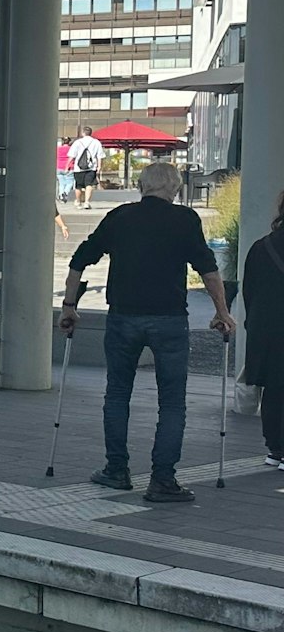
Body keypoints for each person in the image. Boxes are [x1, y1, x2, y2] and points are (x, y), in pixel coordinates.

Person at [59, 161, 235, 503]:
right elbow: (209, 271)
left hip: (123, 318)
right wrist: (222, 312)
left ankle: (116, 470)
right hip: (169, 320)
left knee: (117, 394)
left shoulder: (120, 217)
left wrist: (69, 306)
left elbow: (79, 259)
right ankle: (162, 480)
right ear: (176, 189)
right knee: (172, 403)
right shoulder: (186, 220)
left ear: (141, 186)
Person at [240, 191, 284, 468]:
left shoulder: (261, 246)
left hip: (267, 327)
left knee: (274, 386)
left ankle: (275, 448)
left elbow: (249, 291)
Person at [67, 125, 106, 210]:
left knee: (78, 185)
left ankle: (78, 201)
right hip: (91, 167)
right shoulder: (96, 142)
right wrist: (99, 166)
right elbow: (100, 156)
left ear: (83, 133)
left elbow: (72, 155)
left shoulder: (77, 142)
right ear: (91, 133)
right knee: (89, 185)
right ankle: (87, 202)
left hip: (78, 168)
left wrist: (67, 166)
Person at [56, 138, 74, 203]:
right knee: (69, 182)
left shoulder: (58, 149)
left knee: (61, 183)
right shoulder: (71, 148)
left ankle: (61, 196)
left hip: (59, 167)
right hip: (69, 167)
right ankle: (65, 193)